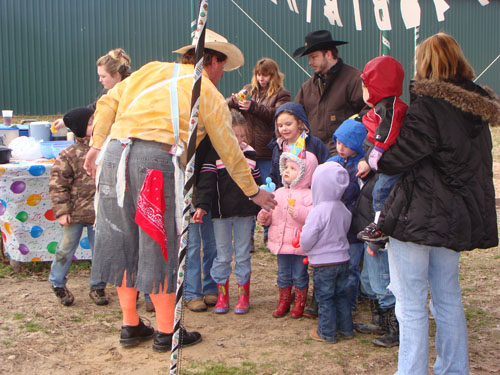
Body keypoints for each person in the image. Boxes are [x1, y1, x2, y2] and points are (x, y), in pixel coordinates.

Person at [83, 29, 276, 352]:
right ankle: (165, 330)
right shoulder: (206, 91)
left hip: (115, 154)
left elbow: (107, 102)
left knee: (123, 238)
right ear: (212, 61)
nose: (220, 76)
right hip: (156, 159)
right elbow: (229, 147)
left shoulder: (149, 71)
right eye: (221, 68)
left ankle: (130, 324)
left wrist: (97, 145)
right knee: (159, 241)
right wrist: (253, 191)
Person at [377, 33, 499, 374]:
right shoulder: (475, 110)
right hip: (456, 217)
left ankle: (412, 370)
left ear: (425, 63)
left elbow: (395, 159)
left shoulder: (429, 106)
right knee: (447, 296)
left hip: (418, 216)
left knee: (411, 302)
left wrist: (377, 152)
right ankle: (454, 368)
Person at [193, 110, 262, 314]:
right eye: (234, 136)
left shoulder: (250, 154)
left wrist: (260, 208)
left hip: (244, 214)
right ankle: (222, 295)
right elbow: (206, 184)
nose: (239, 141)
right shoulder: (214, 155)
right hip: (220, 216)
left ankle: (243, 296)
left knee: (242, 255)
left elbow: (257, 183)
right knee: (222, 256)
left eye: (243, 136)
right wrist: (202, 206)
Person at [227, 57, 291, 249]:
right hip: (246, 150)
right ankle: (249, 237)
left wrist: (253, 107)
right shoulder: (249, 89)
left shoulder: (282, 94)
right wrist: (235, 99)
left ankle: (268, 233)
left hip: (265, 151)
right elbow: (227, 106)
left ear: (274, 75)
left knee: (268, 193)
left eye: (265, 75)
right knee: (248, 192)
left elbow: (278, 115)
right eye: (258, 74)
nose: (261, 79)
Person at [48, 107, 108, 306]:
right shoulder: (68, 154)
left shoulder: (103, 149)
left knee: (99, 249)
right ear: (80, 128)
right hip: (73, 213)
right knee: (66, 248)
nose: (95, 125)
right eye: (90, 123)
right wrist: (62, 211)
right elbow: (58, 184)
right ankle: (57, 282)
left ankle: (98, 286)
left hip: (97, 213)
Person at [257, 141, 318, 319]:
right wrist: (264, 218)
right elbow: (270, 213)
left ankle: (299, 301)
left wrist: (298, 212)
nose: (286, 171)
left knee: (300, 274)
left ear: (305, 173)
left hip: (299, 244)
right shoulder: (279, 192)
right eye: (286, 167)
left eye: (293, 168)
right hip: (281, 243)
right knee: (283, 274)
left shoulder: (310, 195)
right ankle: (283, 300)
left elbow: (312, 218)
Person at [355, 56, 408, 245]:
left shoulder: (390, 107)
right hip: (381, 160)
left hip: (389, 162)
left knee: (381, 191)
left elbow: (388, 130)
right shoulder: (380, 108)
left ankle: (380, 225)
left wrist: (377, 149)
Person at [300, 161, 352, 343]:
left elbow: (307, 238)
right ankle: (346, 329)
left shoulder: (318, 211)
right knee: (342, 296)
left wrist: (304, 247)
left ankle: (326, 332)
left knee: (325, 298)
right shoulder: (343, 209)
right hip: (343, 259)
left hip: (323, 263)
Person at [293, 30, 366, 154]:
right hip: (314, 155)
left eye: (314, 57)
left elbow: (367, 113)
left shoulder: (354, 79)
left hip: (345, 156)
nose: (310, 62)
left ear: (328, 54)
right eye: (309, 58)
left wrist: (346, 142)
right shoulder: (307, 87)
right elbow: (295, 115)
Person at [328, 119, 367, 314]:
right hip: (335, 225)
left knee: (352, 266)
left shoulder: (363, 168)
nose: (340, 148)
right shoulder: (331, 163)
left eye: (347, 144)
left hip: (354, 225)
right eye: (338, 142)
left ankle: (350, 304)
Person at [52, 48, 132, 131]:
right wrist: (66, 122)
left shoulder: (133, 91)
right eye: (99, 76)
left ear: (116, 75)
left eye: (103, 76)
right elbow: (92, 110)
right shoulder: (107, 92)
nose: (100, 80)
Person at [269, 102, 330, 189]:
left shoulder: (314, 143)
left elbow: (327, 168)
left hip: (310, 196)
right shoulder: (278, 147)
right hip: (286, 196)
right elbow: (274, 175)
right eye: (280, 126)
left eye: (288, 124)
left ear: (300, 123)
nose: (284, 128)